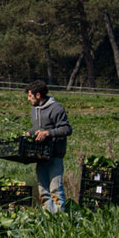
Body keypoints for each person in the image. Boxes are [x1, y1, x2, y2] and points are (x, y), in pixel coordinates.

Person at [26, 80, 71, 212]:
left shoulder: (56, 109)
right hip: (41, 155)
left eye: (30, 96)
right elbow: (40, 128)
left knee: (55, 189)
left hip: (55, 155)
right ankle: (48, 217)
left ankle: (59, 218)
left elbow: (66, 129)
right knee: (43, 189)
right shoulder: (34, 110)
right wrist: (31, 133)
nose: (28, 99)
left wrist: (47, 134)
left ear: (38, 95)